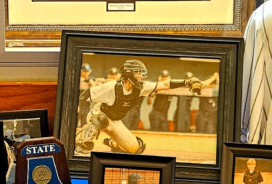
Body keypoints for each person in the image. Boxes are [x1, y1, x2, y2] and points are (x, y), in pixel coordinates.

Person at [76, 59, 212, 154]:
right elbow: (86, 94)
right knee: (100, 119)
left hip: (116, 121)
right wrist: (76, 109)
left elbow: (165, 85)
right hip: (100, 114)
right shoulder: (111, 87)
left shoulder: (141, 88)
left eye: (142, 73)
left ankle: (112, 143)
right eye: (138, 73)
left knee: (136, 149)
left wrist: (186, 82)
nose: (142, 76)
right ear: (129, 73)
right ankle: (82, 142)